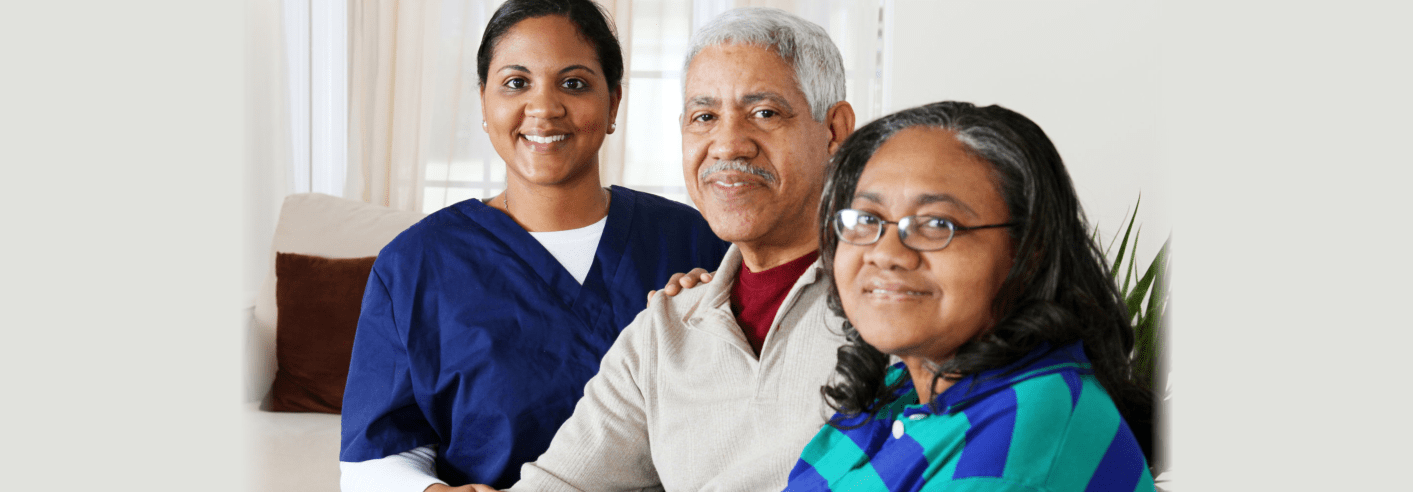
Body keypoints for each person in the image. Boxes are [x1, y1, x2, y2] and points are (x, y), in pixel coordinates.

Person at [337, 1, 729, 491]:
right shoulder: (416, 265)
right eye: (516, 83)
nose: (544, 108)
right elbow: (374, 457)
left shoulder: (693, 240)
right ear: (484, 102)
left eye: (574, 83)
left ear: (614, 103)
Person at [500, 7, 857, 492]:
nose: (728, 145)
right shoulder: (664, 331)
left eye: (764, 113)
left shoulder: (893, 308)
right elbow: (560, 483)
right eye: (704, 117)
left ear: (834, 130)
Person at [780, 101, 1156, 492]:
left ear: (1028, 251)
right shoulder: (903, 387)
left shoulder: (1022, 445)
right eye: (867, 219)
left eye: (938, 223)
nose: (887, 253)